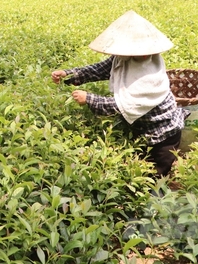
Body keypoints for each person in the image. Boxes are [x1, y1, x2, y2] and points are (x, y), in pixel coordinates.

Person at [51, 10, 187, 177]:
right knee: (141, 169)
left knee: (157, 175)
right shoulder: (124, 59)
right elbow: (101, 69)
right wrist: (69, 74)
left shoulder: (150, 76)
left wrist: (89, 99)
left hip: (164, 134)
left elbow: (123, 105)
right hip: (143, 129)